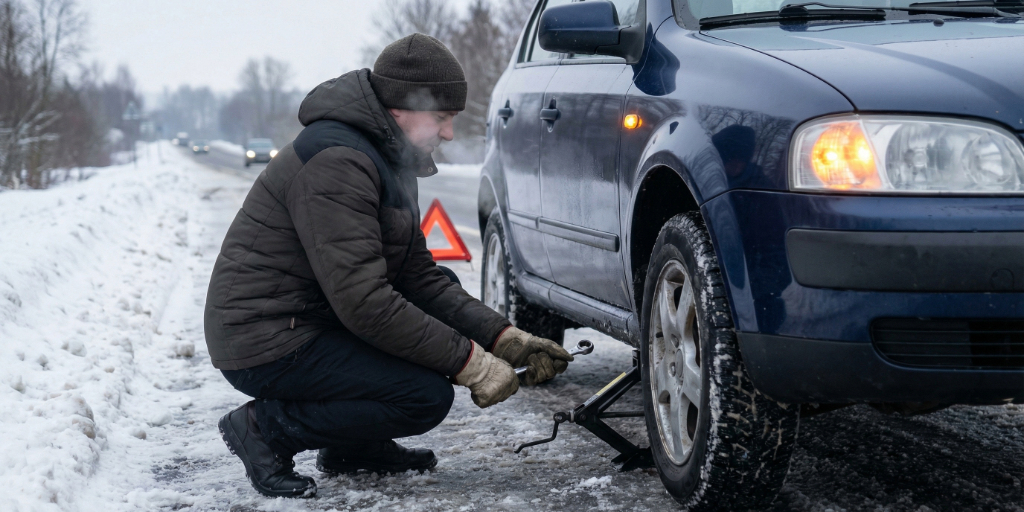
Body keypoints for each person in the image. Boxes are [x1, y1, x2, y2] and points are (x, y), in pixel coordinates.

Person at [203, 34, 573, 499]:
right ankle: (264, 428)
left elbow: (417, 278)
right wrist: (471, 363)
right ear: (401, 107)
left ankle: (353, 447)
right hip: (265, 338)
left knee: (426, 336)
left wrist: (504, 339)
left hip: (313, 320)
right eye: (441, 117)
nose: (449, 133)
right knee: (423, 394)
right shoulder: (338, 161)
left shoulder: (387, 159)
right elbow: (365, 302)